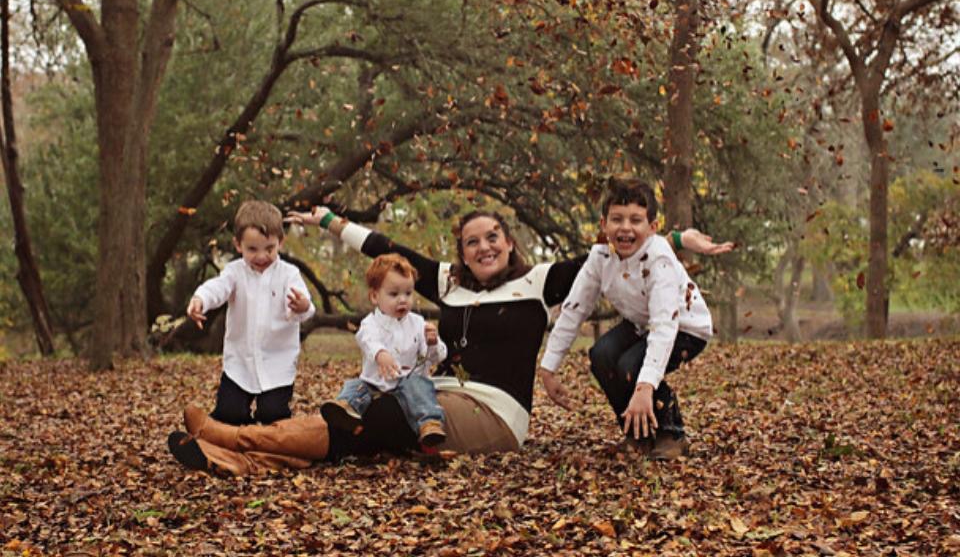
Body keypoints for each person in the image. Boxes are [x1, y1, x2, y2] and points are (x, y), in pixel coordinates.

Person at [168, 203, 731, 475]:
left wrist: (676, 235)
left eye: (492, 238)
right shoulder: (449, 288)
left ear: (508, 242)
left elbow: (614, 245)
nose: (483, 247)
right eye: (471, 241)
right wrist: (331, 221)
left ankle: (237, 440)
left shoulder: (539, 283)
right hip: (434, 395)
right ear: (461, 252)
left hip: (495, 415)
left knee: (377, 416)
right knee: (368, 417)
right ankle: (236, 453)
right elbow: (390, 249)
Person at [538, 178, 712, 460]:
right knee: (602, 355)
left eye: (636, 220)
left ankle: (671, 432)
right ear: (604, 224)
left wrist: (645, 387)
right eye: (617, 219)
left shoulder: (660, 259)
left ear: (652, 228)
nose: (625, 228)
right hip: (640, 324)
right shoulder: (600, 257)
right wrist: (548, 368)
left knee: (632, 367)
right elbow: (574, 308)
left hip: (685, 327)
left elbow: (665, 325)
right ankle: (639, 434)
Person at [186, 200, 316, 426]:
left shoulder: (289, 274)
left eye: (269, 249)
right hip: (240, 362)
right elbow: (217, 288)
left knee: (273, 414)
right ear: (238, 245)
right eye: (252, 249)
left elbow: (305, 305)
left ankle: (272, 447)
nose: (261, 256)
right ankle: (219, 441)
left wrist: (302, 306)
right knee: (230, 413)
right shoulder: (235, 272)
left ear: (280, 243)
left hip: (278, 363)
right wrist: (200, 299)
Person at [322, 253, 448, 447]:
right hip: (375, 382)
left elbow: (433, 358)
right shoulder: (370, 323)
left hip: (407, 379)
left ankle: (429, 423)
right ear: (374, 296)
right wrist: (380, 353)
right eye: (394, 294)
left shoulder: (417, 323)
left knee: (419, 387)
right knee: (356, 386)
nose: (403, 300)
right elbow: (367, 340)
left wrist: (432, 343)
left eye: (408, 293)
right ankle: (346, 409)